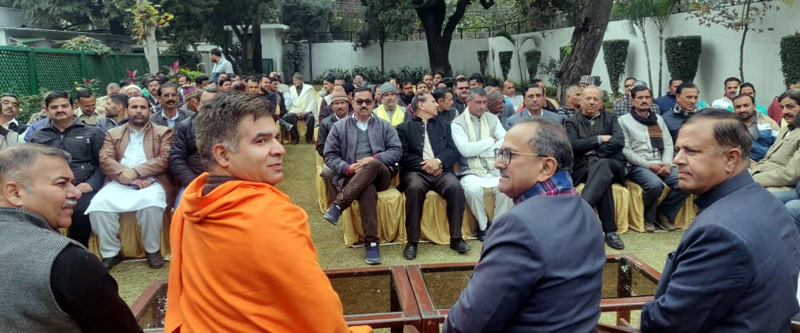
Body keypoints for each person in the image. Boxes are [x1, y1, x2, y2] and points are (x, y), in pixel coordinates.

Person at [164, 92, 371, 333]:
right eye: (261, 141)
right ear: (222, 154)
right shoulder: (270, 215)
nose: (279, 150)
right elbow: (320, 312)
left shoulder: (191, 203)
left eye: (276, 138)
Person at [640, 109, 800, 332]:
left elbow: (666, 324)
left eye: (691, 151)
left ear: (730, 158)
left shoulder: (719, 232)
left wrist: (646, 313)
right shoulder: (770, 203)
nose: (677, 160)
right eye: (677, 150)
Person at [443, 118, 605, 332]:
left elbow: (465, 325)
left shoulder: (519, 226)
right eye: (499, 153)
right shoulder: (585, 210)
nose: (498, 163)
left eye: (509, 155)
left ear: (546, 166)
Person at [0, 145, 141, 332]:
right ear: (14, 192)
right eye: (61, 183)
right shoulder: (67, 261)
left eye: (72, 183)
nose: (76, 193)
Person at [85, 95, 173, 270]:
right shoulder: (113, 133)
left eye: (143, 107)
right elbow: (105, 159)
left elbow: (164, 159)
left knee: (152, 205)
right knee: (98, 206)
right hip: (119, 181)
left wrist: (137, 172)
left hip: (151, 181)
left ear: (150, 110)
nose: (139, 111)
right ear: (126, 110)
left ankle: (152, 250)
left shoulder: (163, 132)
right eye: (134, 107)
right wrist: (126, 176)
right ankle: (111, 253)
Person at [322, 87, 402, 265]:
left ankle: (338, 205)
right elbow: (329, 155)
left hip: (381, 173)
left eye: (368, 101)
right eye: (359, 101)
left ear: (374, 103)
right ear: (352, 102)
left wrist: (373, 159)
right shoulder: (339, 127)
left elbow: (397, 151)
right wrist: (348, 168)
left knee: (371, 165)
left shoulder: (384, 125)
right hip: (352, 175)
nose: (364, 105)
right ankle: (372, 243)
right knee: (367, 190)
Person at [396, 91, 469, 260]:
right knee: (414, 188)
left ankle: (456, 238)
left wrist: (438, 161)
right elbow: (402, 155)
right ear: (421, 105)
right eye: (433, 101)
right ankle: (412, 242)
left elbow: (453, 150)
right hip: (415, 172)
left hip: (441, 171)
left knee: (455, 187)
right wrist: (427, 165)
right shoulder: (403, 128)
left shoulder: (445, 125)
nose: (437, 104)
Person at [28, 91, 106, 247]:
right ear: (46, 110)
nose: (59, 110)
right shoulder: (37, 136)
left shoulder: (92, 132)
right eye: (54, 107)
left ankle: (78, 250)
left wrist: (91, 183)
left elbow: (103, 163)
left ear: (73, 107)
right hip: (48, 186)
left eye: (64, 106)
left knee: (80, 211)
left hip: (82, 186)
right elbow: (32, 165)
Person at [619, 86, 688, 232]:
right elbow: (626, 150)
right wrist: (649, 165)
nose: (644, 100)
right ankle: (648, 217)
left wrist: (667, 163)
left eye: (647, 97)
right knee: (655, 185)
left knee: (685, 182)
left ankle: (662, 213)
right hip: (637, 165)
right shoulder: (623, 121)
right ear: (632, 100)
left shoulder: (658, 119)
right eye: (640, 97)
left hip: (662, 162)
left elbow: (669, 144)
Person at [565, 86, 626, 250]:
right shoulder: (571, 121)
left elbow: (619, 141)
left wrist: (594, 150)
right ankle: (610, 231)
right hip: (582, 168)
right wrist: (599, 139)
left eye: (595, 99)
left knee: (603, 165)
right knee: (601, 179)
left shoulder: (611, 118)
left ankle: (580, 211)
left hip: (611, 164)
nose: (591, 102)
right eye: (588, 98)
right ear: (581, 100)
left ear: (600, 102)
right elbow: (572, 145)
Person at [451, 88, 513, 241]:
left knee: (507, 188)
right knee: (472, 190)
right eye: (478, 102)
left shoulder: (492, 119)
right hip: (470, 171)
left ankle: (497, 226)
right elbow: (465, 150)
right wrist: (490, 141)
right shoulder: (457, 123)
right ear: (468, 102)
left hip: (494, 168)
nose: (482, 106)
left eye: (485, 102)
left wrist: (479, 148)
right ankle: (483, 227)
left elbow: (504, 142)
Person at [170, 88, 218, 205]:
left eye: (216, 104)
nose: (212, 108)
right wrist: (193, 182)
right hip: (193, 180)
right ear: (197, 105)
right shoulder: (185, 126)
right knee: (181, 210)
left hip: (226, 180)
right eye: (207, 104)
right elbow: (176, 159)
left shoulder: (233, 125)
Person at [751, 89, 800, 190]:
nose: (784, 112)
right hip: (762, 178)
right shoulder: (785, 129)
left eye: (790, 107)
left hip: (781, 186)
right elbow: (767, 158)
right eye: (782, 107)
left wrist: (755, 179)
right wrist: (755, 172)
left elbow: (792, 174)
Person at [317, 87, 350, 207]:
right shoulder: (326, 123)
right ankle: (336, 201)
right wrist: (333, 158)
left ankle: (352, 198)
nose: (340, 106)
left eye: (342, 103)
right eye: (336, 103)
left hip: (352, 157)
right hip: (332, 158)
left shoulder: (354, 119)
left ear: (348, 104)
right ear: (332, 106)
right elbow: (320, 146)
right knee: (326, 171)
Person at [732, 93, 778, 162]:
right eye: (738, 107)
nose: (742, 110)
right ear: (734, 109)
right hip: (742, 165)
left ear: (754, 106)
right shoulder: (730, 126)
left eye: (746, 105)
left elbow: (780, 144)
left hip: (770, 163)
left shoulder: (768, 122)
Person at [283, 73, 316, 144]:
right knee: (288, 117)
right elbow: (290, 103)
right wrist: (296, 113)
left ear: (301, 80)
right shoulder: (290, 89)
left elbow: (312, 101)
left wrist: (305, 112)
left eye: (296, 80)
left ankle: (309, 138)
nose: (294, 82)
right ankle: (295, 138)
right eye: (293, 80)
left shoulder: (309, 88)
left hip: (306, 110)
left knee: (311, 117)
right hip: (295, 111)